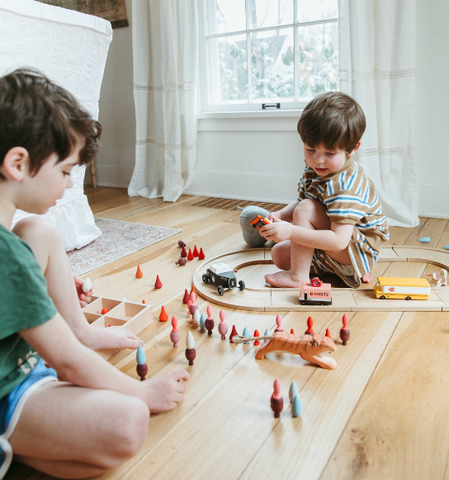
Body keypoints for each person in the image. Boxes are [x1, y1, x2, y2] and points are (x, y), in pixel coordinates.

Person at [0, 69, 189, 478]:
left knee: (40, 230)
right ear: (18, 162)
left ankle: (79, 329)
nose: (70, 186)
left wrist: (41, 287)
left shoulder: (12, 246)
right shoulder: (7, 258)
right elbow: (67, 363)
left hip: (20, 359)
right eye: (66, 171)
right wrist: (142, 391)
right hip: (8, 389)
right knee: (129, 421)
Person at [261, 91, 389, 289]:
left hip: (352, 249)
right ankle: (337, 270)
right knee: (279, 254)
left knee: (305, 210)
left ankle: (299, 277)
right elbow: (305, 201)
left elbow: (338, 240)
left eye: (329, 153)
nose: (318, 160)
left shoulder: (345, 185)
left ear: (353, 148)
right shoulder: (318, 169)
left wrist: (291, 231)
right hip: (334, 248)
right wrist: (281, 215)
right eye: (310, 149)